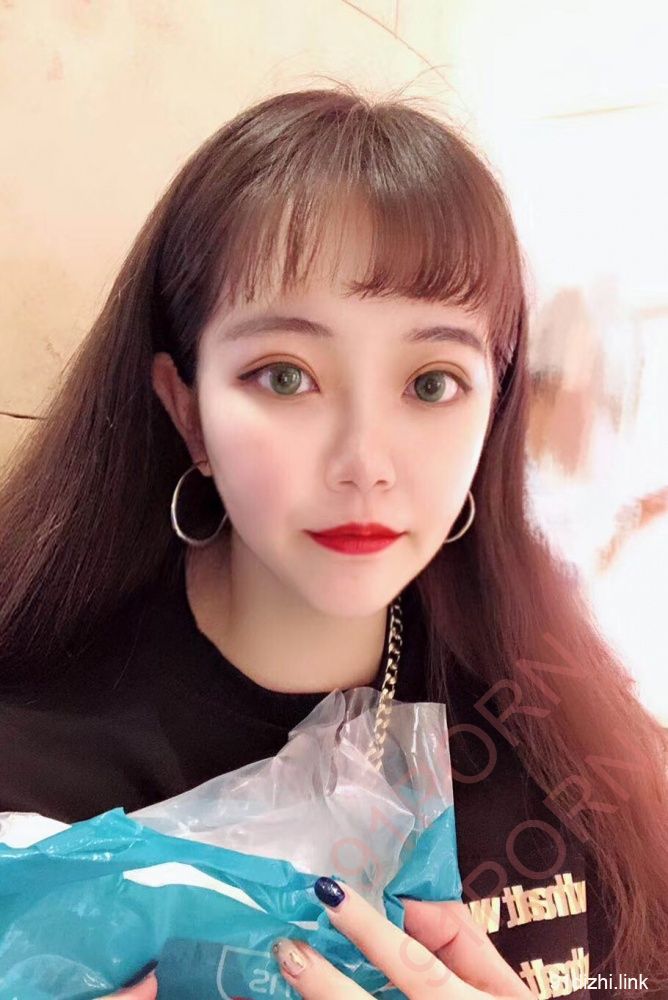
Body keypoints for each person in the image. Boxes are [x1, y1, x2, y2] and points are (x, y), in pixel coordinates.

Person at [0, 84, 666, 1000]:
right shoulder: (33, 777)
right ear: (187, 410)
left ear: (493, 415)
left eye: (432, 384)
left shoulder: (574, 754)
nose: (365, 464)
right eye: (286, 375)